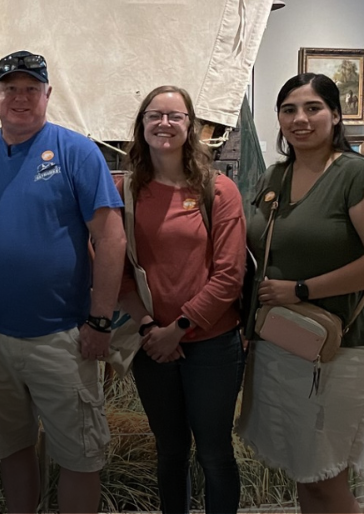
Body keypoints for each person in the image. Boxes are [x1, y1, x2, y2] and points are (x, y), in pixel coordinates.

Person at [0, 50, 126, 514]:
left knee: (80, 456)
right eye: (10, 89)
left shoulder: (76, 151)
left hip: (64, 336)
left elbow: (111, 238)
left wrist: (100, 323)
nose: (20, 98)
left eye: (30, 89)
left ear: (47, 94)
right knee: (11, 447)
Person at [238, 73, 364, 514]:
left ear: (335, 115)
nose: (300, 119)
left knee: (327, 476)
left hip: (346, 344)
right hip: (285, 339)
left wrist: (302, 289)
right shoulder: (276, 175)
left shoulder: (358, 173)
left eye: (313, 108)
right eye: (289, 109)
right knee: (305, 473)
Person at [115, 86, 246, 514]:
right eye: (155, 115)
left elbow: (229, 275)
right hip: (152, 344)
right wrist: (152, 330)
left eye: (175, 116)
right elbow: (118, 269)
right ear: (142, 125)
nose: (165, 124)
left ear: (191, 125)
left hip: (211, 343)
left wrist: (180, 329)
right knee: (170, 451)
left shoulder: (218, 190)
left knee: (214, 453)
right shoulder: (125, 191)